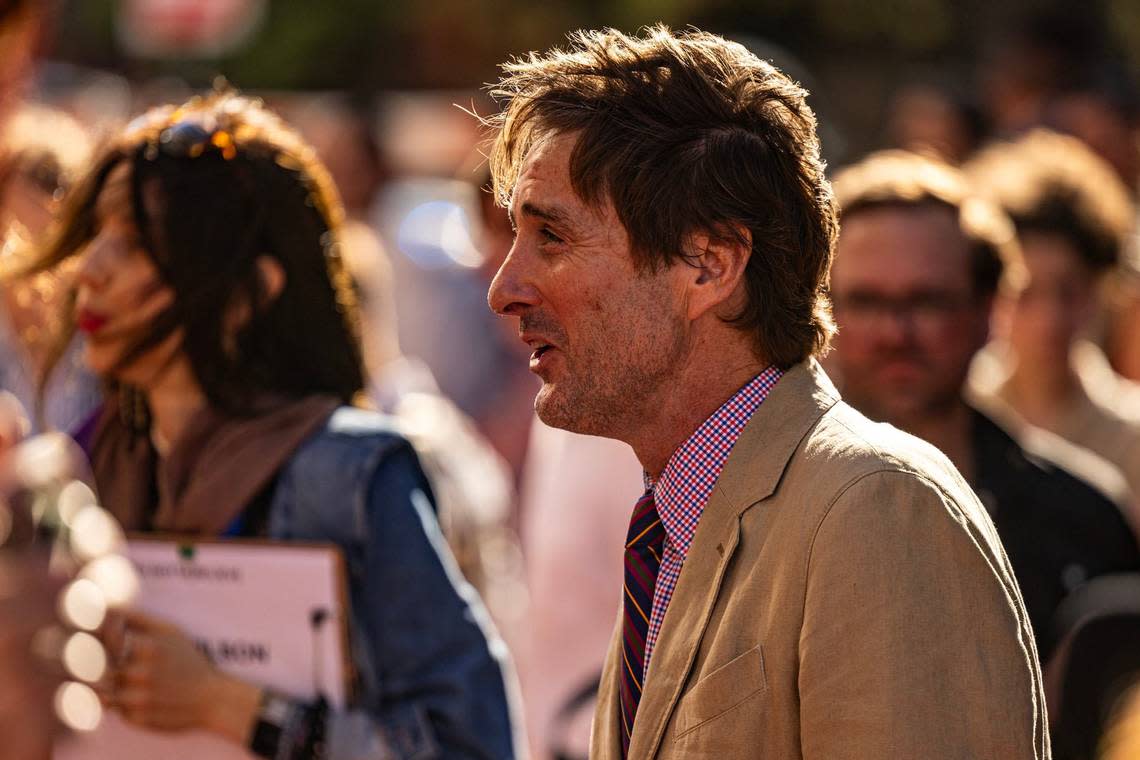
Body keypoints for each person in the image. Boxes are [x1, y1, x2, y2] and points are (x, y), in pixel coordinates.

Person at [485, 26, 1047, 759]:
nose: (506, 288)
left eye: (552, 238)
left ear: (709, 266)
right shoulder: (671, 525)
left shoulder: (876, 509)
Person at [15, 91, 518, 759]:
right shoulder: (71, 470)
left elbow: (472, 745)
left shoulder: (353, 477)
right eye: (95, 237)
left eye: (135, 243)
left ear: (249, 293)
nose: (91, 270)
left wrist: (235, 706)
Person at [827, 148, 1140, 665]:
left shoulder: (1083, 519)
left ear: (989, 310)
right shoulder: (754, 512)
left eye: (927, 301)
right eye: (865, 301)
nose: (895, 332)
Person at [963, 130, 1140, 498]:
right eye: (1024, 293)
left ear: (1100, 290)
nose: (1050, 320)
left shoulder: (1131, 433)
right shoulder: (960, 411)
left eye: (1070, 292)